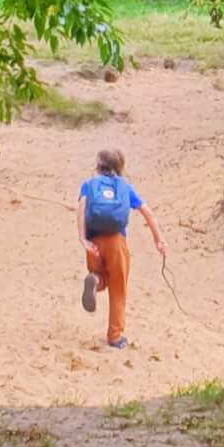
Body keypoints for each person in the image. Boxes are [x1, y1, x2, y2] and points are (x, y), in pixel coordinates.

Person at [76, 146, 163, 349]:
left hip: (94, 241)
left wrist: (83, 240)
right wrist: (158, 239)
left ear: (98, 165)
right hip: (117, 241)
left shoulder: (88, 185)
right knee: (118, 288)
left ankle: (95, 281)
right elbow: (147, 213)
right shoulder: (125, 187)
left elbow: (80, 212)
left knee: (100, 275)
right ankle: (115, 336)